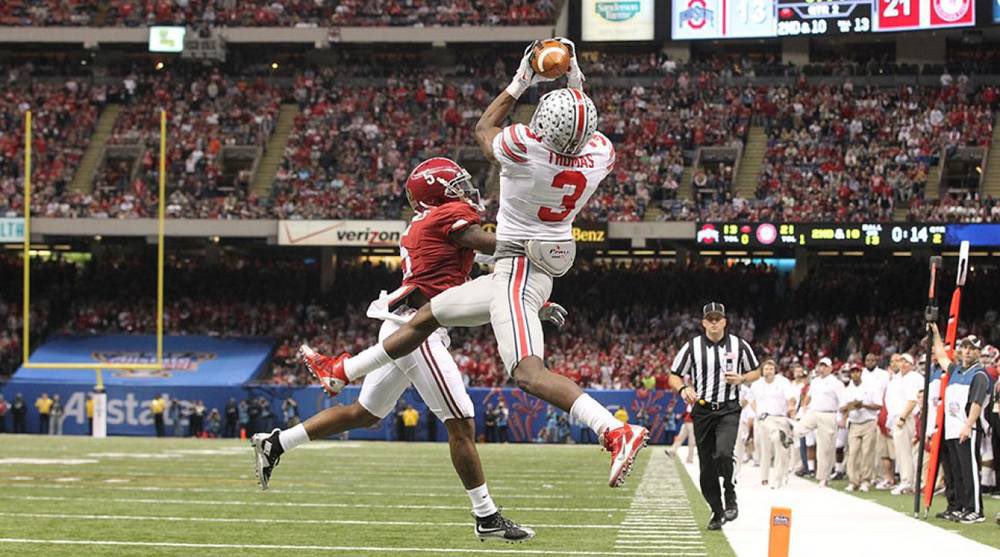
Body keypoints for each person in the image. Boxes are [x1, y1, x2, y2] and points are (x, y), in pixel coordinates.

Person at [297, 40, 649, 489]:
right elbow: (585, 121)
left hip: (516, 269)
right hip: (537, 263)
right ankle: (341, 370)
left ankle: (614, 430)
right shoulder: (600, 156)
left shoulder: (524, 149)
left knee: (528, 373)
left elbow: (485, 125)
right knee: (427, 313)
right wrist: (573, 78)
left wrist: (525, 77)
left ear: (542, 125)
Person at [251, 157, 533, 542]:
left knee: (364, 414)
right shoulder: (447, 217)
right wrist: (529, 243)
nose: (466, 192)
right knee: (461, 423)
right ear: (439, 193)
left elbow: (480, 260)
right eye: (457, 186)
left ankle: (277, 442)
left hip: (402, 323)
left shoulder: (428, 221)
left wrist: (531, 295)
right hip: (418, 329)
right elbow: (483, 242)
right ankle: (485, 515)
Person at [666, 302, 761, 530]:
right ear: (704, 322)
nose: (715, 322)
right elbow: (674, 375)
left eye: (719, 318)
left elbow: (756, 371)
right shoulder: (692, 347)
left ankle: (730, 493)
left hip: (728, 408)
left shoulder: (739, 345)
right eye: (711, 318)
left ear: (725, 321)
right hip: (703, 409)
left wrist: (741, 379)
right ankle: (716, 511)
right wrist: (683, 389)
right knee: (706, 466)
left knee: (723, 453)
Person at [931, 328, 993, 524]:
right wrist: (935, 332)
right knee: (955, 471)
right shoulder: (956, 371)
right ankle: (960, 506)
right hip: (951, 428)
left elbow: (976, 402)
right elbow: (941, 355)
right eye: (964, 347)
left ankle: (975, 509)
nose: (966, 352)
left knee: (969, 470)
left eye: (971, 349)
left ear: (978, 352)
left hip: (967, 428)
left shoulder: (980, 374)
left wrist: (968, 425)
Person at [795, 357, 844, 488]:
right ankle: (788, 437)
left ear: (830, 368)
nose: (821, 368)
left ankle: (824, 478)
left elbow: (842, 402)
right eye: (820, 366)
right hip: (814, 411)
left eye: (824, 366)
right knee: (799, 428)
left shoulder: (836, 383)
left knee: (824, 448)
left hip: (829, 414)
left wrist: (840, 418)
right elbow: (809, 396)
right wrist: (803, 408)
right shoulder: (815, 381)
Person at [750, 360, 798, 489]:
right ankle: (764, 478)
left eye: (771, 369)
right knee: (763, 449)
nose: (769, 371)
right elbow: (751, 400)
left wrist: (791, 407)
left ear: (775, 370)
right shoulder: (756, 384)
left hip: (779, 418)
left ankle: (778, 478)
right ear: (762, 370)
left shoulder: (783, 382)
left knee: (779, 443)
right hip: (763, 419)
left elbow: (791, 398)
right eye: (766, 369)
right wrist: (757, 414)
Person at [885, 353, 922, 495]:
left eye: (907, 362)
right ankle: (905, 480)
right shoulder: (896, 379)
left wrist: (902, 417)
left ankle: (907, 482)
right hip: (896, 417)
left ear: (912, 364)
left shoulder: (915, 378)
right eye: (901, 361)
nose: (903, 364)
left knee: (906, 451)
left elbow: (912, 400)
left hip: (907, 417)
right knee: (901, 451)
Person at [841, 364, 881, 492]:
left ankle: (865, 481)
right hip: (854, 422)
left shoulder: (870, 387)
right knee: (852, 453)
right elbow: (842, 408)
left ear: (861, 372)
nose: (855, 374)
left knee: (867, 452)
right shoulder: (847, 390)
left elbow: (878, 405)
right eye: (852, 372)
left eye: (857, 371)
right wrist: (850, 407)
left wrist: (863, 405)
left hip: (868, 421)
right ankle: (853, 481)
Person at [875, 354, 900, 490]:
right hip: (883, 419)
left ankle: (899, 478)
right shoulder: (886, 379)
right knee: (884, 452)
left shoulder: (904, 379)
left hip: (896, 419)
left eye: (897, 360)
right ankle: (888, 478)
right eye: (892, 361)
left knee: (897, 452)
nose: (895, 363)